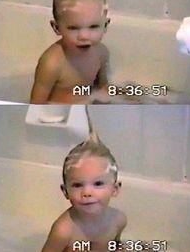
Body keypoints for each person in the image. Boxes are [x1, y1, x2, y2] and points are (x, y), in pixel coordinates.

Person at [41, 107, 127, 251]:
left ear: (115, 189)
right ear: (65, 191)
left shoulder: (119, 220)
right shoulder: (64, 231)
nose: (87, 192)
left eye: (98, 183)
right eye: (77, 185)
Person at [30, 0, 111, 104]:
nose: (84, 36)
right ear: (56, 28)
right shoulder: (52, 63)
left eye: (93, 27)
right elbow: (36, 105)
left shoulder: (101, 53)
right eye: (73, 28)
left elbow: (102, 89)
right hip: (58, 118)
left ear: (105, 25)